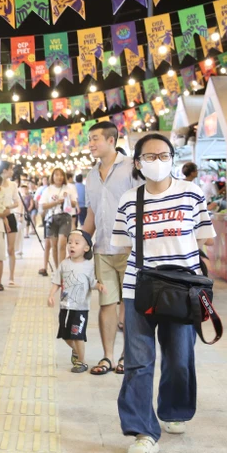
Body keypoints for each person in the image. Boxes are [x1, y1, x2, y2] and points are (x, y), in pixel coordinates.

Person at [111, 134, 215, 453]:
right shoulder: (128, 199)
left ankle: (173, 409)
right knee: (139, 363)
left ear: (172, 157)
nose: (157, 161)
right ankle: (143, 432)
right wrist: (117, 300)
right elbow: (123, 249)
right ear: (138, 163)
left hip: (182, 291)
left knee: (179, 358)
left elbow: (205, 242)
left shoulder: (192, 194)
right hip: (138, 290)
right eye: (149, 156)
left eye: (163, 154)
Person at [83, 121, 142, 376]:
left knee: (129, 305)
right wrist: (84, 239)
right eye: (90, 139)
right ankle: (107, 357)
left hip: (130, 248)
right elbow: (92, 213)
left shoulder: (132, 168)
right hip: (102, 249)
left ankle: (126, 356)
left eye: (96, 138)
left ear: (111, 140)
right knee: (106, 304)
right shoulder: (91, 175)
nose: (91, 143)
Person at [48, 229, 103, 373]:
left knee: (77, 335)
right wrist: (51, 295)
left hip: (81, 308)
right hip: (65, 306)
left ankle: (82, 362)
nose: (72, 246)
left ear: (86, 248)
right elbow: (56, 281)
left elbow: (92, 283)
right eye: (70, 242)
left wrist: (99, 286)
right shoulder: (64, 264)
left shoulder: (89, 266)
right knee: (65, 335)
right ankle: (76, 351)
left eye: (76, 243)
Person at [37, 167, 78, 277]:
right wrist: (55, 203)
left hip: (65, 217)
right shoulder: (48, 190)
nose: (58, 177)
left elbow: (74, 203)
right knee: (53, 246)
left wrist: (67, 200)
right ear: (52, 177)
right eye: (56, 175)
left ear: (63, 177)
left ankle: (62, 270)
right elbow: (43, 205)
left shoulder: (69, 188)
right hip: (51, 218)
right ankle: (57, 270)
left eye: (60, 175)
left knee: (62, 244)